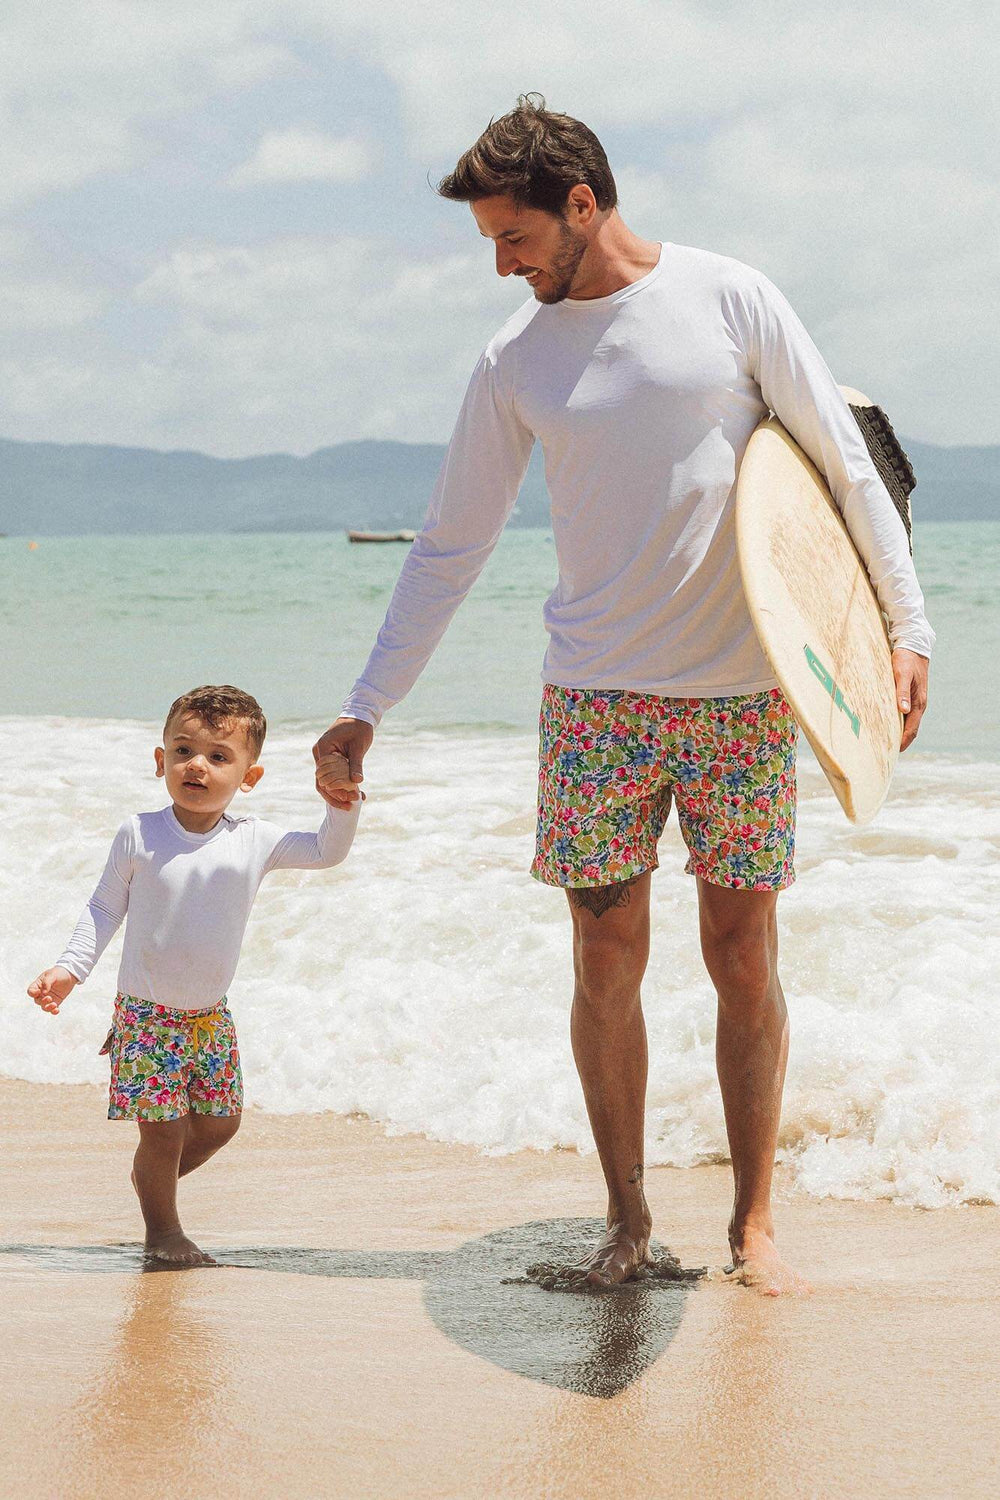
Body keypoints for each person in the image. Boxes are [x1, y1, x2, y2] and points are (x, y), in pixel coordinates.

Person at [313, 96, 933, 1295]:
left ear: (581, 205)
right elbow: (452, 544)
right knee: (605, 961)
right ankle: (626, 1221)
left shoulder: (728, 299)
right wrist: (366, 703)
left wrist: (903, 630)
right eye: (492, 241)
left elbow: (842, 469)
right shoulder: (513, 360)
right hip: (596, 698)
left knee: (741, 954)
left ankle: (754, 1225)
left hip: (743, 695)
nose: (501, 261)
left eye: (513, 236)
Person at [28, 684, 360, 1268]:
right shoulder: (140, 833)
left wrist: (340, 801)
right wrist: (69, 969)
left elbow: (326, 852)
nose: (196, 766)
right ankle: (164, 1233)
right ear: (161, 761)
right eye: (183, 751)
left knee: (220, 1124)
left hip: (209, 1015)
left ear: (248, 776)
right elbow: (105, 907)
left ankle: (151, 1183)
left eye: (217, 756)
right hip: (147, 1014)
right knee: (161, 1133)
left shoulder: (254, 840)